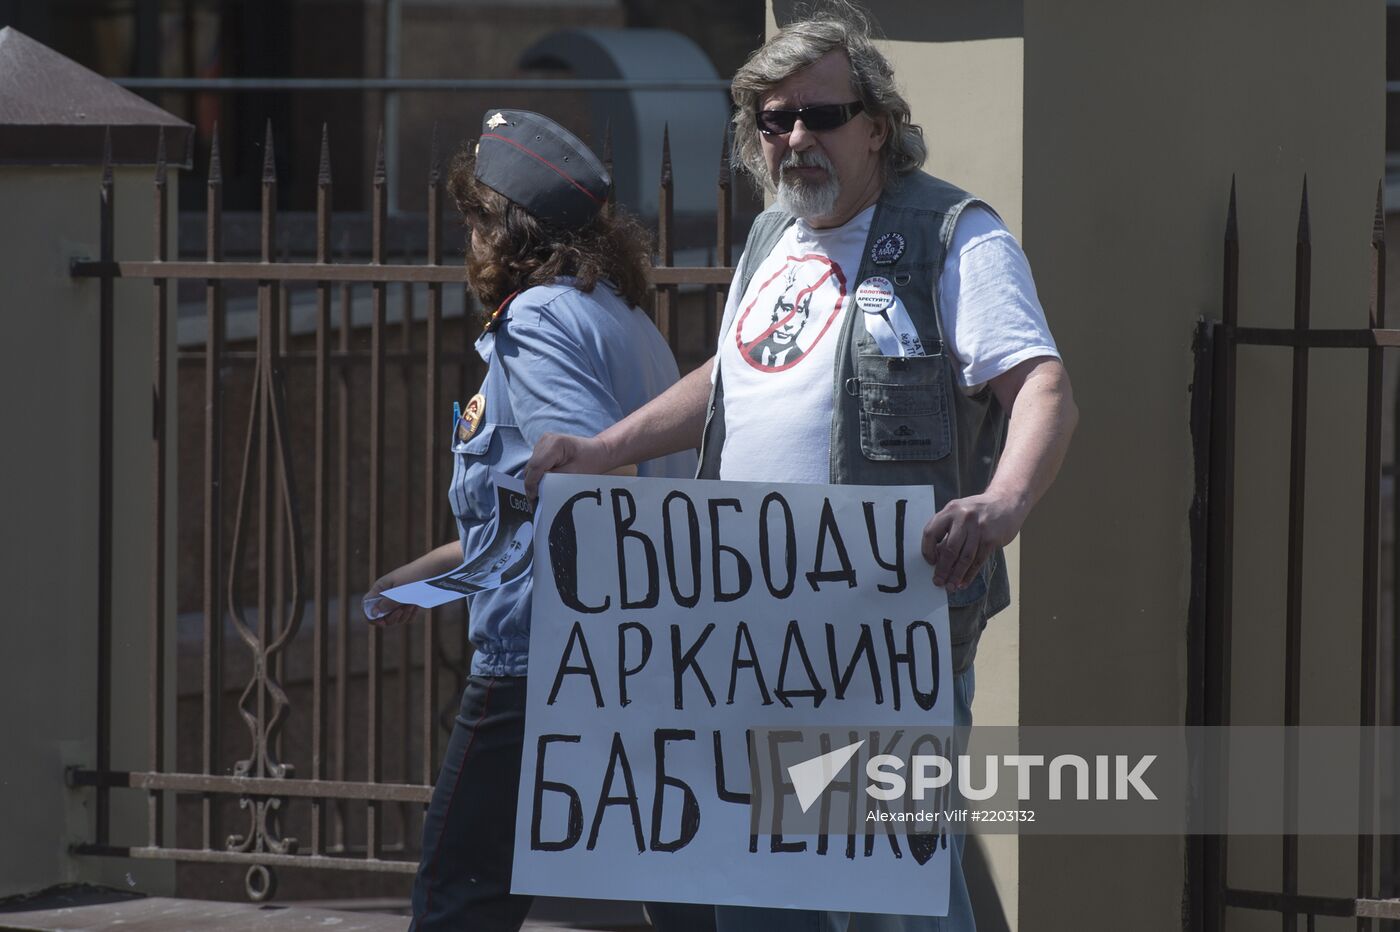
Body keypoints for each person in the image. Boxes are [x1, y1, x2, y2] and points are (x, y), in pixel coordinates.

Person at [523, 5, 1079, 932]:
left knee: (888, 889)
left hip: (881, 630)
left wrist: (1001, 503)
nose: (794, 139)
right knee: (752, 882)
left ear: (878, 124)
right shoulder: (772, 240)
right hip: (742, 628)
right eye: (772, 120)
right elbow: (734, 380)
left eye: (819, 116)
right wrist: (601, 450)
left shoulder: (952, 236)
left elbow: (1043, 386)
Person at [363, 108, 704, 932]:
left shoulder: (541, 320)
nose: (468, 244)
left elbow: (594, 481)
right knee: (684, 888)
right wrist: (417, 579)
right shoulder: (616, 317)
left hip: (540, 665)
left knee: (457, 897)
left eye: (475, 221)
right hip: (637, 657)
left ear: (506, 227)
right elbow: (524, 510)